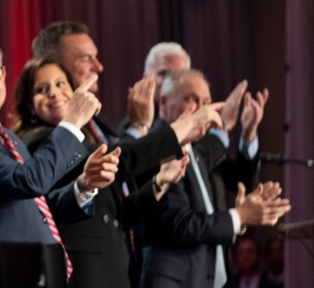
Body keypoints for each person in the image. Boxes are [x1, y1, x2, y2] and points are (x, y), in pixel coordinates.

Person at [12, 57, 222, 287]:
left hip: (112, 268)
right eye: (42, 89)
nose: (54, 93)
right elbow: (124, 158)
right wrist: (186, 126)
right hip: (83, 274)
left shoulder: (84, 139)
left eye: (61, 84)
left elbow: (117, 217)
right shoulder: (39, 142)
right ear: (30, 105)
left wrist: (158, 185)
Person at [0, 35, 120, 280]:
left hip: (31, 274)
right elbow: (29, 180)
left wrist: (83, 185)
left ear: (4, 74)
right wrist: (72, 122)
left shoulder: (6, 137)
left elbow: (39, 210)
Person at [140, 69, 291, 288]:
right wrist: (239, 215)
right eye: (191, 99)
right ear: (162, 101)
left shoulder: (197, 150)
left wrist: (241, 218)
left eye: (207, 101)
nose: (202, 109)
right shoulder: (157, 146)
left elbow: (237, 184)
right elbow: (179, 224)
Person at [31, 21, 121, 145]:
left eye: (95, 57)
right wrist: (139, 125)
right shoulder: (46, 133)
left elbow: (118, 148)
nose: (99, 67)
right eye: (85, 59)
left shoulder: (93, 113)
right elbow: (117, 157)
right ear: (55, 65)